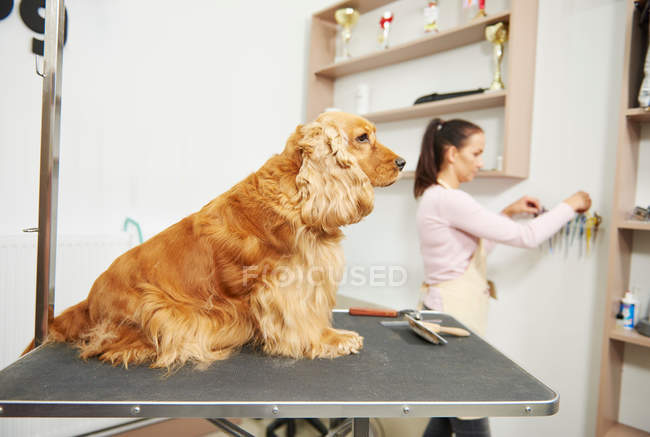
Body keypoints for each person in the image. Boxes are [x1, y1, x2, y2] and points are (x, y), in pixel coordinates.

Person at [414, 118, 591, 437]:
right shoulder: (450, 199)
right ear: (453, 154)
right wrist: (571, 205)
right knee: (472, 419)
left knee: (445, 415)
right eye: (477, 153)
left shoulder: (435, 196)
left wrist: (507, 212)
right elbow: (527, 237)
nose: (481, 163)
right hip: (452, 324)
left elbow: (468, 253)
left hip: (444, 317)